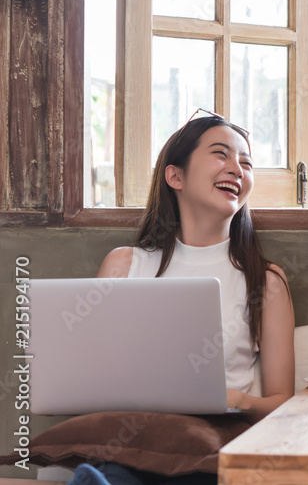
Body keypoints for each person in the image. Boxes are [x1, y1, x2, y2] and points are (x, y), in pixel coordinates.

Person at [70, 112, 295, 485]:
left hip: (211, 445)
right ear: (175, 176)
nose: (237, 169)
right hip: (133, 440)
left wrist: (235, 400)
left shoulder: (265, 281)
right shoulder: (124, 266)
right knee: (112, 471)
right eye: (221, 154)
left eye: (246, 162)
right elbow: (94, 379)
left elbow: (283, 401)